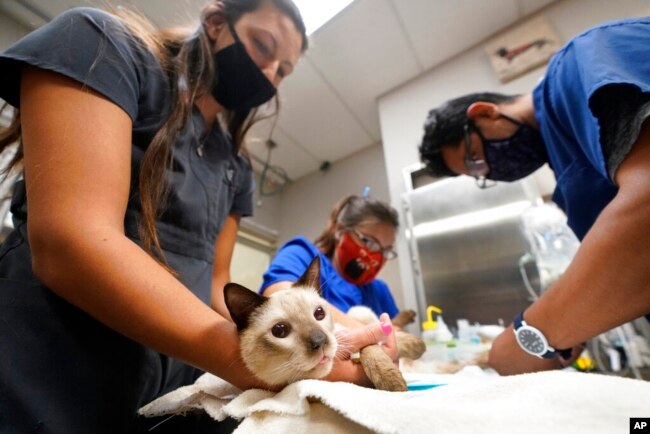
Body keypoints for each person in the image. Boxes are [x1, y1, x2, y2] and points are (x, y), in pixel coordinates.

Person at [0, 1, 398, 432]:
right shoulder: (102, 45)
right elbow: (70, 240)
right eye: (264, 47)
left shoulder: (236, 170)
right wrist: (254, 364)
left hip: (169, 395)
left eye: (283, 71)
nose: (269, 74)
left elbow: (215, 285)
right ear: (214, 23)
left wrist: (306, 351)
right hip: (46, 374)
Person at [418, 16, 650, 376]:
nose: (489, 171)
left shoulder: (576, 65)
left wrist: (535, 331)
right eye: (478, 175)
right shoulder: (565, 167)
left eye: (475, 159)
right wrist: (579, 322)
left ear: (483, 112)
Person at [260, 194, 411, 329]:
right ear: (339, 230)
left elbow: (397, 341)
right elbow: (283, 300)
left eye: (385, 250)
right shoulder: (302, 255)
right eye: (369, 242)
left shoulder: (380, 290)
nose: (377, 256)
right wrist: (375, 337)